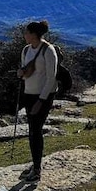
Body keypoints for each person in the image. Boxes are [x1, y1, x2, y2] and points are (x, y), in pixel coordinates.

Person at [16, 20, 58, 182]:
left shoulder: (48, 51)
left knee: (35, 130)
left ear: (34, 34)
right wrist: (20, 73)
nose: (24, 35)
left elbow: (51, 77)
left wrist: (42, 99)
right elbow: (25, 71)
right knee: (33, 130)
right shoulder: (26, 50)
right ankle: (35, 165)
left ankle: (37, 169)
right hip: (29, 94)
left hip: (43, 96)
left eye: (26, 32)